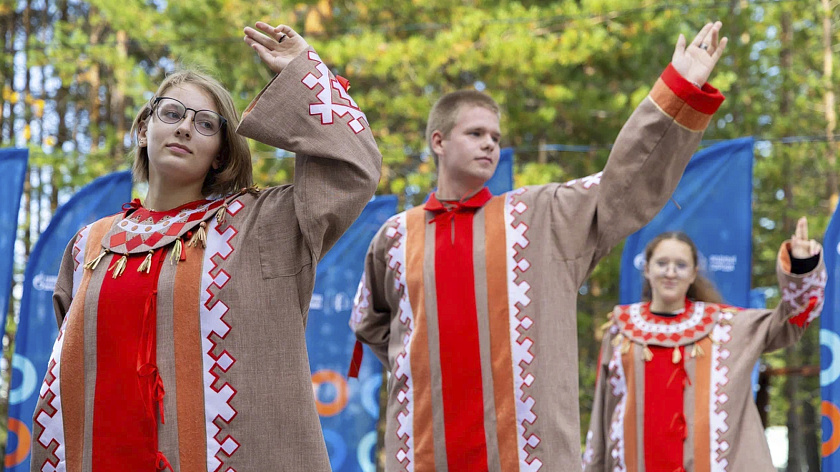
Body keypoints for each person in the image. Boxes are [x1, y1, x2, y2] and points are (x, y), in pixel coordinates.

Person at [351, 22, 728, 471]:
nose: (489, 144)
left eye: (495, 137)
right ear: (439, 141)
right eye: (475, 134)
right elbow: (372, 324)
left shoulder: (539, 216)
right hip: (425, 454)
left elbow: (623, 182)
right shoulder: (395, 235)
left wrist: (677, 93)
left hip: (527, 457)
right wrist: (432, 369)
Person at [30, 23, 381, 471]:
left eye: (205, 124)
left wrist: (304, 72)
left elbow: (354, 168)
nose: (184, 129)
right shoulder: (89, 246)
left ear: (219, 152)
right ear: (143, 129)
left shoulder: (263, 226)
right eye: (172, 114)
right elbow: (68, 381)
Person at [581, 219, 825, 472]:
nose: (670, 272)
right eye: (662, 263)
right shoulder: (621, 328)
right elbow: (603, 411)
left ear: (694, 272)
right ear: (647, 269)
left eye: (681, 265)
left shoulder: (728, 327)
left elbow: (792, 319)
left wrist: (801, 266)